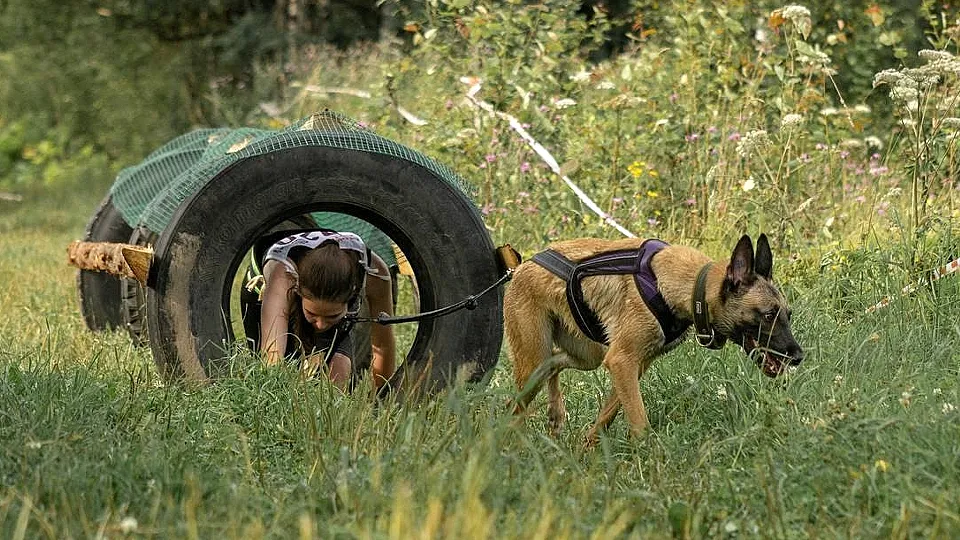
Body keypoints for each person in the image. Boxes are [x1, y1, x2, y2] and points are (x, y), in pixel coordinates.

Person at [241, 229, 396, 390]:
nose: (320, 325)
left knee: (340, 366)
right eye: (312, 314)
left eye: (332, 316)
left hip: (328, 275)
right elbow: (272, 359)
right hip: (264, 287)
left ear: (352, 293)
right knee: (283, 369)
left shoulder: (375, 272)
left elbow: (382, 344)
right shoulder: (283, 277)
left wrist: (383, 394)